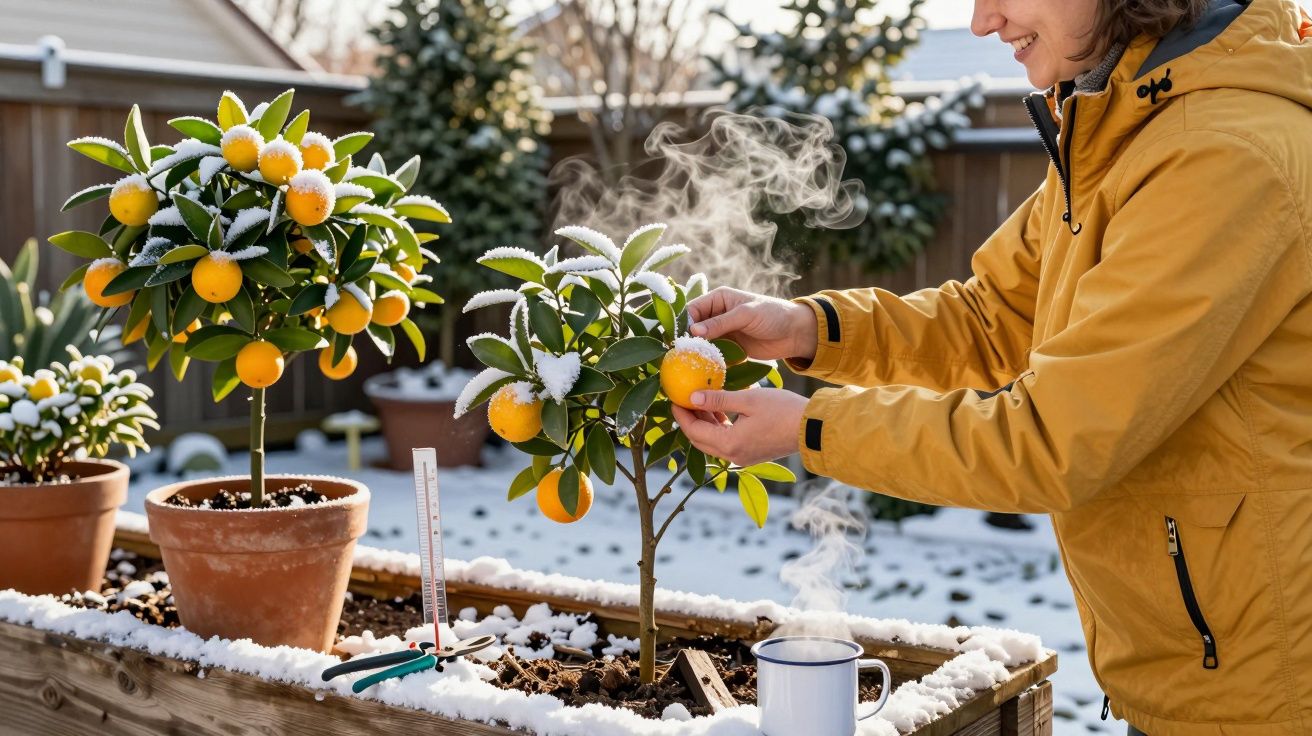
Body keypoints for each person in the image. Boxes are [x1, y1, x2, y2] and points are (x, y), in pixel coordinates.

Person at [673, 0, 1312, 734]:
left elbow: (1051, 439)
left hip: (1268, 692)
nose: (982, 21)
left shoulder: (1220, 156)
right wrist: (809, 329)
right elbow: (993, 316)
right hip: (1199, 665)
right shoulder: (1126, 122)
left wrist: (810, 429)